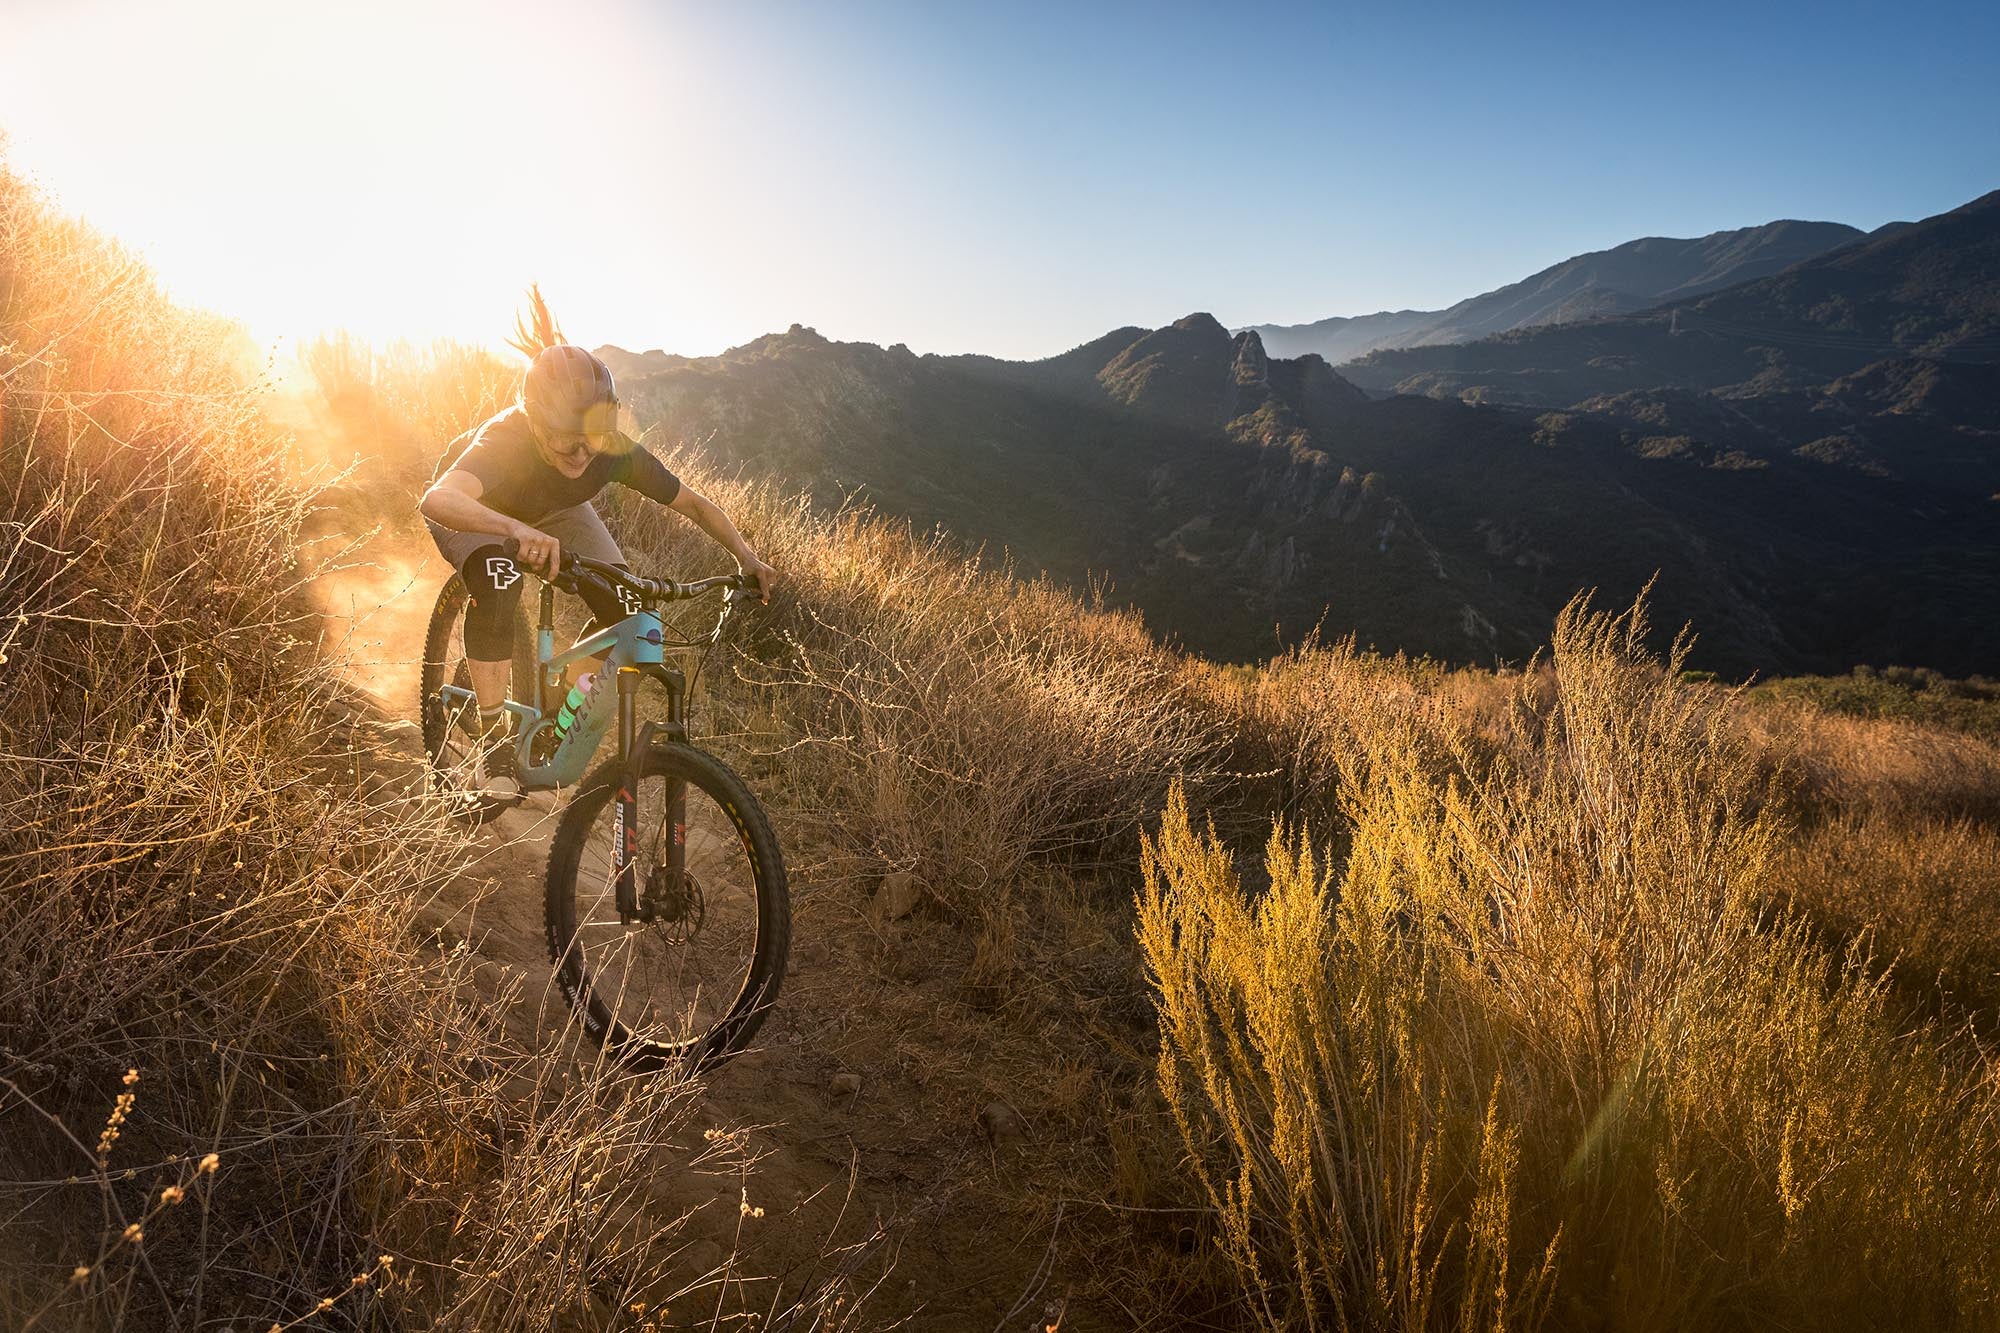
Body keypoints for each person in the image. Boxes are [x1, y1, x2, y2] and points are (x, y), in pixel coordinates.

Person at [420, 343, 778, 798]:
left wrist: (747, 559)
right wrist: (513, 530)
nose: (581, 451)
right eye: (564, 436)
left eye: (592, 435)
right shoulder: (505, 439)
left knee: (627, 607)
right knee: (499, 578)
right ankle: (495, 747)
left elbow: (692, 503)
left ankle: (557, 714)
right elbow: (439, 499)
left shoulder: (609, 448)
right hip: (479, 509)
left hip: (554, 511)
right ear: (534, 420)